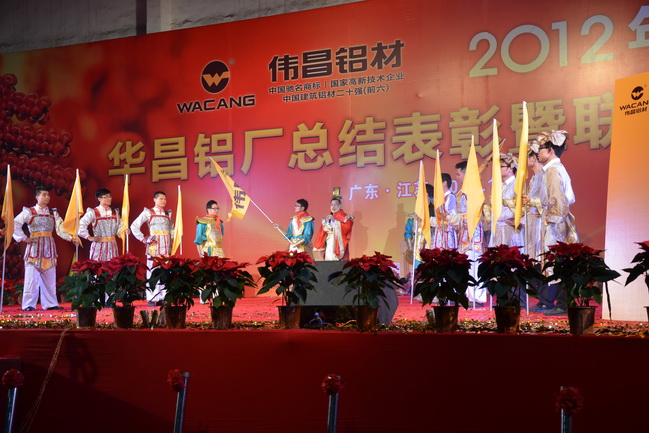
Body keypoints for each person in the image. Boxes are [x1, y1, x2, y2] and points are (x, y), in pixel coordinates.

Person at [13, 186, 79, 311]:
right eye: (44, 195)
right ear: (37, 197)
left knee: (50, 278)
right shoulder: (29, 211)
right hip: (34, 248)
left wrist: (71, 238)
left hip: (49, 248)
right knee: (31, 279)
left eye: (48, 195)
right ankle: (28, 304)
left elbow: (60, 229)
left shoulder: (53, 213)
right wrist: (23, 238)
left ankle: (50, 303)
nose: (47, 197)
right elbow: (14, 223)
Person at [536, 130, 579, 316]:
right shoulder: (554, 169)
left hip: (556, 223)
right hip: (557, 220)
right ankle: (559, 302)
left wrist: (551, 219)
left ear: (550, 150)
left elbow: (559, 201)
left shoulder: (553, 170)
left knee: (558, 261)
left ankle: (562, 303)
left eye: (541, 149)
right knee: (556, 262)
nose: (538, 152)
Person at [130, 191, 174, 306]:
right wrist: (143, 239)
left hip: (166, 247)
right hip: (154, 247)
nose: (163, 201)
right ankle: (151, 297)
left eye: (165, 199)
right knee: (152, 271)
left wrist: (174, 237)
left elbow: (172, 229)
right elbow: (134, 226)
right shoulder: (148, 212)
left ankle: (162, 297)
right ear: (154, 200)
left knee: (164, 271)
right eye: (161, 198)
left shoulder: (167, 214)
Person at [453, 161, 486, 306]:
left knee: (475, 265)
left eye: (458, 174)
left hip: (473, 234)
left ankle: (477, 297)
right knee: (467, 265)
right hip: (465, 233)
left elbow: (475, 213)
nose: (457, 177)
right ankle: (469, 295)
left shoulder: (473, 190)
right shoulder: (463, 191)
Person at [78, 188, 125, 262]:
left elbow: (120, 227)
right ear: (99, 199)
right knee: (98, 266)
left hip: (112, 246)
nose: (109, 199)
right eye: (106, 197)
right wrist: (88, 237)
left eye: (110, 196)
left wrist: (124, 230)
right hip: (99, 246)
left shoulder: (114, 213)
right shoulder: (94, 212)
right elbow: (81, 224)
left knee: (112, 266)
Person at [490, 153, 524, 248]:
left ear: (511, 168)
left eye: (501, 167)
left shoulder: (516, 185)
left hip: (509, 227)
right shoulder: (500, 185)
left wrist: (518, 220)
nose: (497, 169)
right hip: (498, 227)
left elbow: (522, 204)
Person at [313, 190, 354, 261]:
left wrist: (335, 221)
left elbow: (347, 228)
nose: (333, 206)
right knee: (329, 261)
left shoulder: (346, 217)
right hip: (328, 243)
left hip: (339, 243)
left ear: (340, 205)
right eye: (331, 205)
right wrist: (321, 247)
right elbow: (321, 233)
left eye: (335, 204)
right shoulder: (326, 218)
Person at [432, 173, 458, 249]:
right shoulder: (441, 198)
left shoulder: (450, 197)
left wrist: (445, 221)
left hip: (447, 231)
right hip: (440, 230)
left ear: (444, 183)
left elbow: (453, 216)